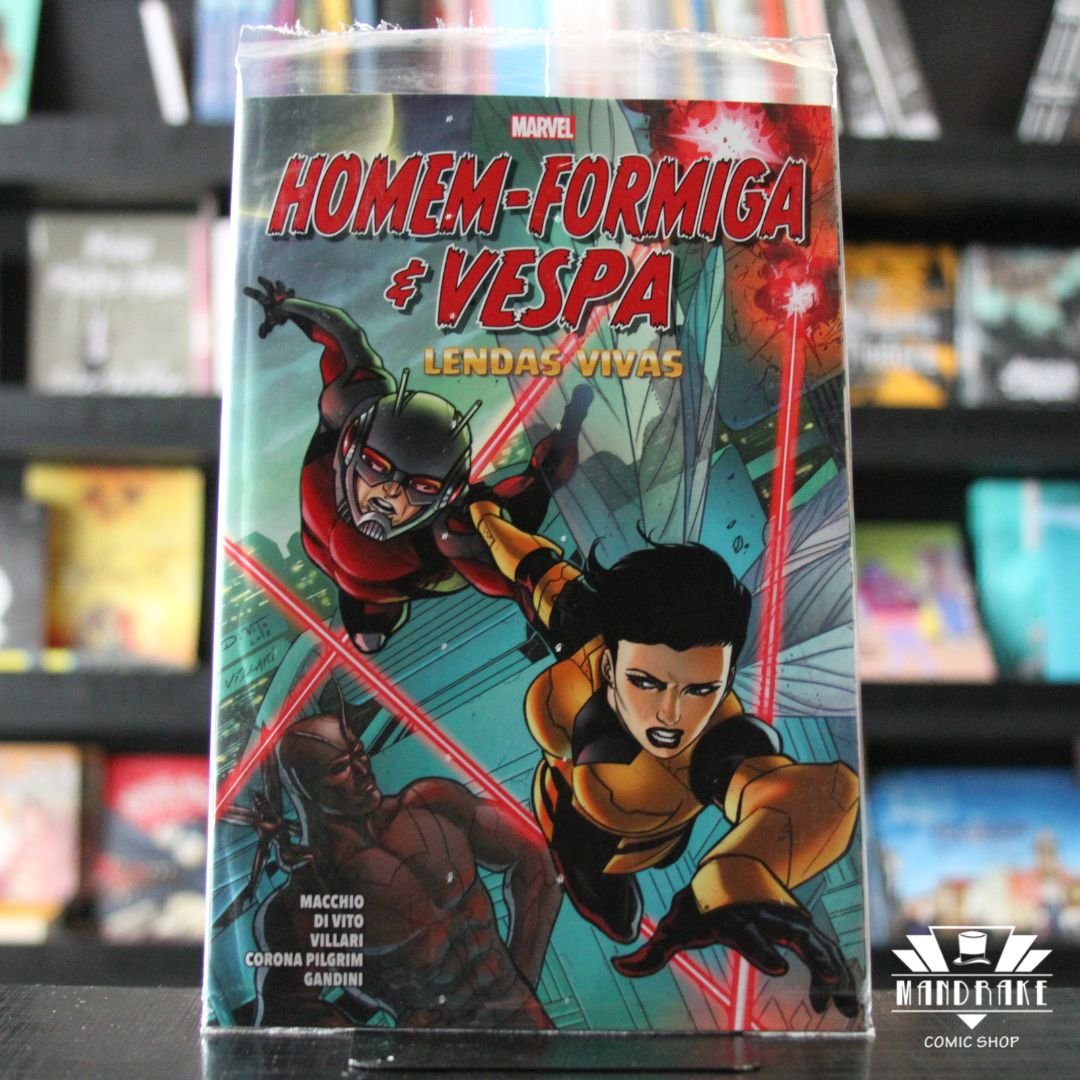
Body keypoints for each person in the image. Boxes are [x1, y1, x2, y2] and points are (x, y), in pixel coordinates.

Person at [468, 501, 860, 1017]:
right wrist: (484, 516)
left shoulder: (714, 742)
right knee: (611, 914)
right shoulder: (583, 634)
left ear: (725, 679)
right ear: (610, 665)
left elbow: (812, 795)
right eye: (646, 682)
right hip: (566, 825)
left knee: (617, 920)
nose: (671, 717)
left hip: (647, 842)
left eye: (700, 689)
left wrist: (738, 878)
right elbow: (533, 566)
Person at [244, 278, 590, 653]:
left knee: (527, 492)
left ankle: (571, 422)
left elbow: (516, 575)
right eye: (377, 466)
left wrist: (560, 619)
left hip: (403, 578)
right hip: (366, 579)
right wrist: (286, 305)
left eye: (420, 486)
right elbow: (343, 336)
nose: (391, 491)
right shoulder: (348, 410)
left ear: (445, 495)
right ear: (350, 446)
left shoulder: (451, 532)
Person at [248, 690, 561, 1029]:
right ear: (307, 787)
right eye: (339, 768)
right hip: (443, 1050)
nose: (362, 770)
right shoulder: (310, 893)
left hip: (525, 1024)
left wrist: (519, 980)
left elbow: (535, 858)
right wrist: (383, 1045)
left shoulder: (432, 804)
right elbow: (286, 1011)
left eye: (358, 753)